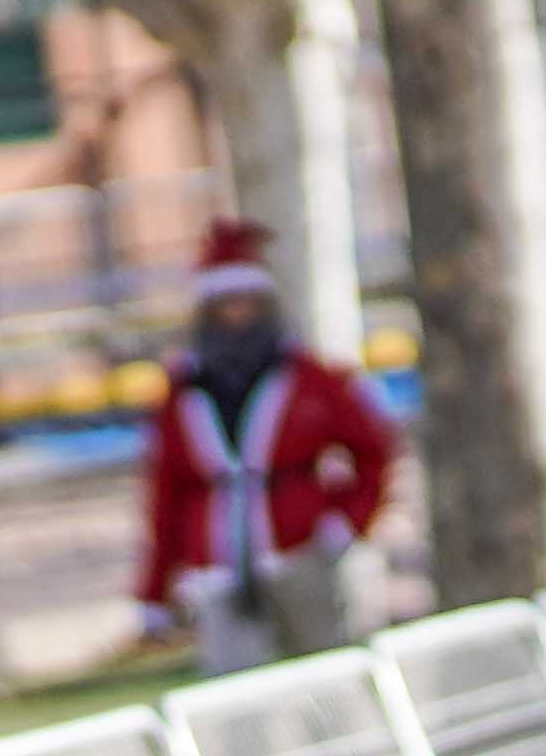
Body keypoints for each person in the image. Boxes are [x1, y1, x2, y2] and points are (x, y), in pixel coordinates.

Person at [137, 220, 401, 670]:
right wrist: (155, 589)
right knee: (235, 687)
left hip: (302, 552)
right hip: (219, 562)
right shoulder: (184, 391)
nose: (237, 314)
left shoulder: (310, 378)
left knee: (328, 676)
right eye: (225, 304)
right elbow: (166, 492)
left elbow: (373, 449)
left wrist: (346, 521)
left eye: (246, 302)